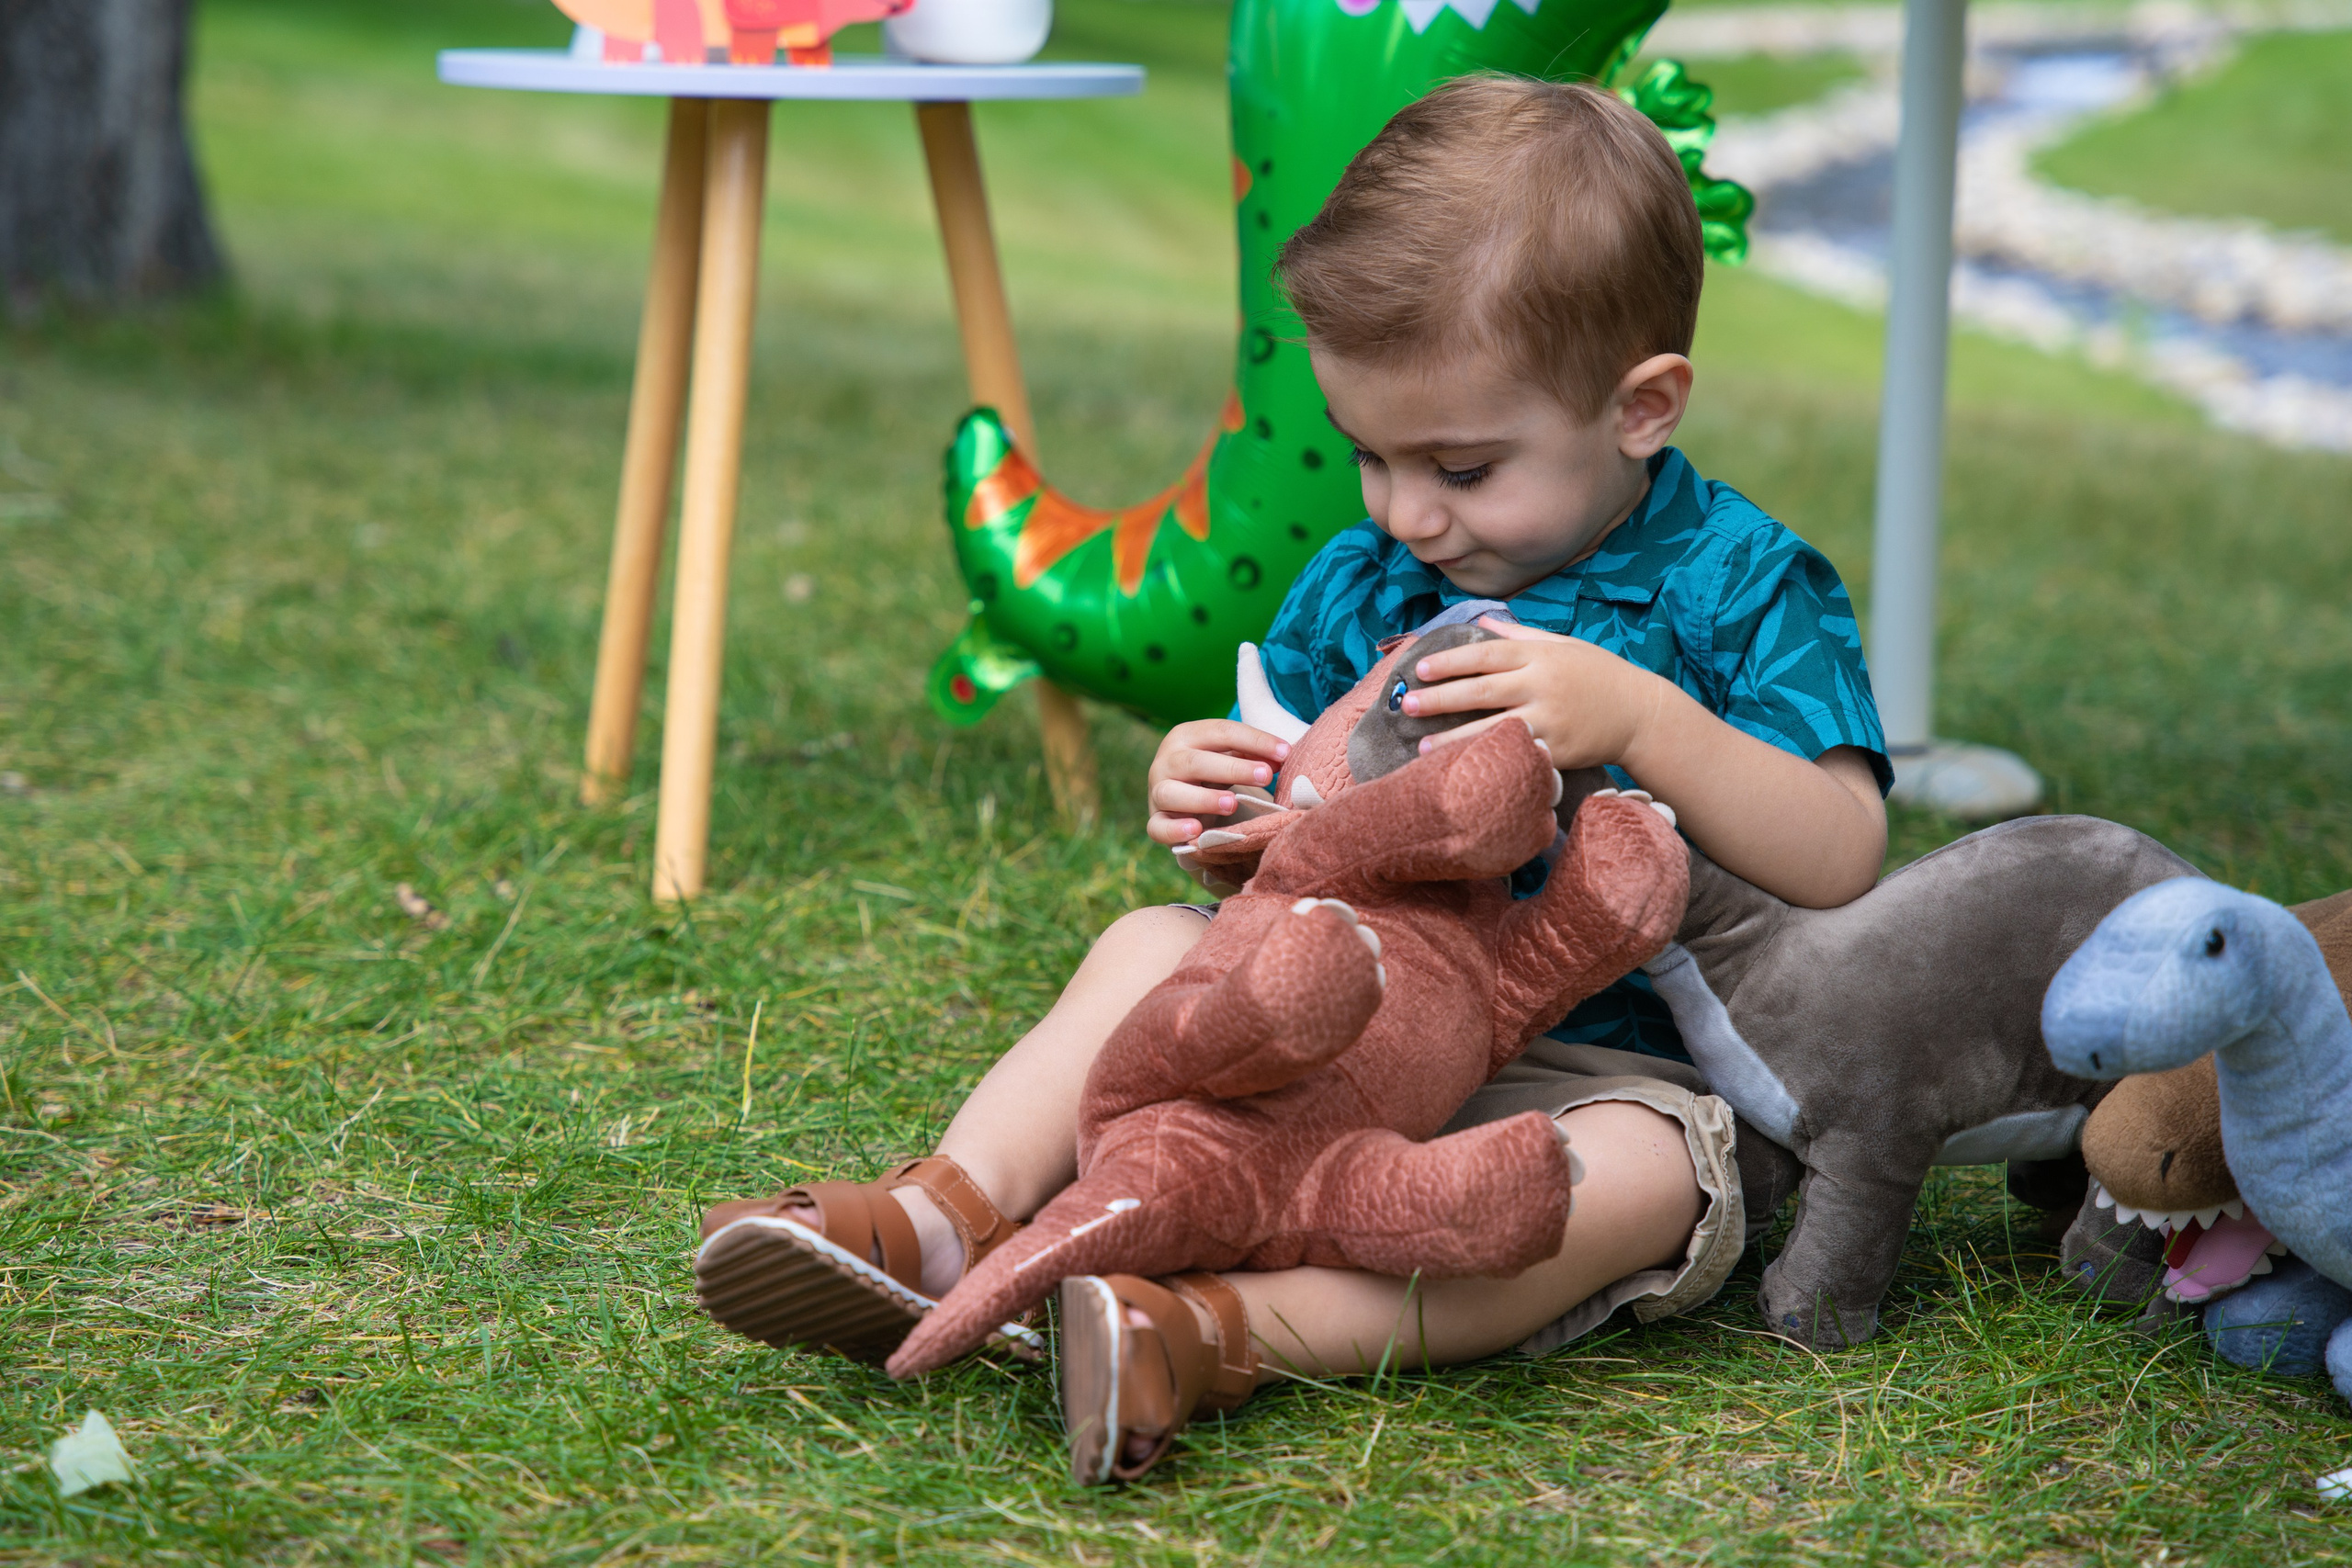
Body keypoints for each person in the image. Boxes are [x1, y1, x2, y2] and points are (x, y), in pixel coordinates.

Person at [693, 74, 1891, 1485]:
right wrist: (1216, 802)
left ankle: (1204, 1331)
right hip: (1343, 1033)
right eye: (1369, 456)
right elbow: (1305, 836)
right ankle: (939, 1218)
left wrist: (1640, 714)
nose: (1406, 512)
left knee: (1644, 1178)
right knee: (1151, 945)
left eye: (1461, 465)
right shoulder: (1372, 577)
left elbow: (1842, 847)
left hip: (1593, 1070)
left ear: (1642, 407)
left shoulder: (1741, 584)